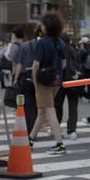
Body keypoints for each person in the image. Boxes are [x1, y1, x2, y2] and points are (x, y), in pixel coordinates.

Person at [28, 12, 67, 155]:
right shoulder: (61, 42)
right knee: (42, 112)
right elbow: (64, 64)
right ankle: (30, 140)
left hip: (43, 82)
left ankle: (60, 144)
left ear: (46, 27)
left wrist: (34, 81)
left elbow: (36, 65)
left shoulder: (42, 42)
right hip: (56, 80)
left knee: (49, 112)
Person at [55, 34, 83, 140]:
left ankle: (56, 128)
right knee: (73, 106)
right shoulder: (73, 50)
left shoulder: (59, 49)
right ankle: (72, 130)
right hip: (74, 81)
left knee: (58, 106)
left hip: (61, 81)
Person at [13, 28, 39, 134]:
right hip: (40, 78)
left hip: (26, 78)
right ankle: (35, 128)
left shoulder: (24, 46)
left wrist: (15, 78)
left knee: (28, 106)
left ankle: (29, 129)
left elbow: (19, 64)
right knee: (37, 106)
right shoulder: (44, 45)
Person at [79, 36, 90, 103]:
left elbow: (80, 60)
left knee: (81, 83)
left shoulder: (83, 51)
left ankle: (82, 95)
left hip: (84, 69)